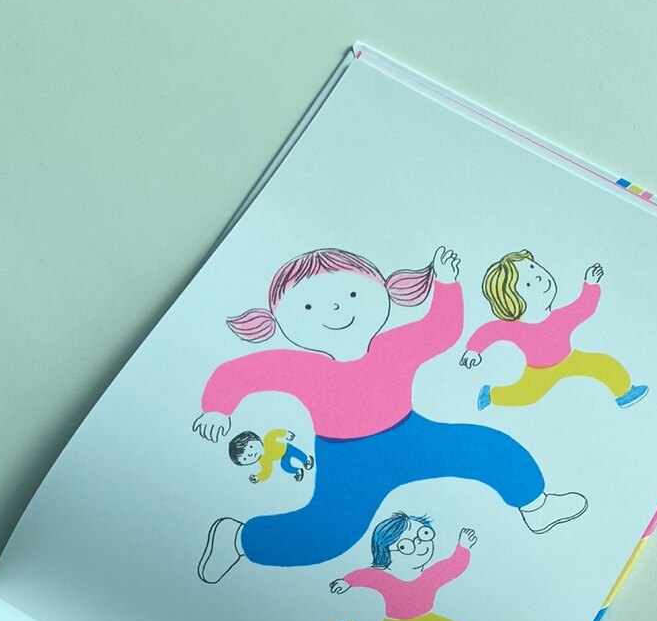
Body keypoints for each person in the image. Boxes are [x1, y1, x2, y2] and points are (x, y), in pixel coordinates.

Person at [193, 245, 587, 585]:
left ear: (384, 291)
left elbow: (441, 331)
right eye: (309, 306)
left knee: (487, 447)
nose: (335, 309)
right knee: (330, 533)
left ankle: (537, 506)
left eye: (351, 293)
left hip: (410, 436)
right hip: (347, 461)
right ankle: (239, 539)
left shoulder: (392, 346)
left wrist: (446, 283)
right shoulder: (300, 367)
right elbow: (238, 373)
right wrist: (217, 410)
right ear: (277, 321)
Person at [461, 252, 648, 410]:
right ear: (511, 301)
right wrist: (473, 350)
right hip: (539, 371)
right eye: (527, 285)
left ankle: (625, 393)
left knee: (604, 364)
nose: (538, 277)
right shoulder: (514, 328)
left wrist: (590, 284)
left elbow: (583, 308)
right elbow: (490, 331)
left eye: (533, 267)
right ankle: (490, 395)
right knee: (525, 395)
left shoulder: (560, 318)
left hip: (570, 358)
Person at [328, 512, 483, 621]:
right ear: (386, 552)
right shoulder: (385, 578)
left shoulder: (430, 576)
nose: (420, 544)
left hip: (425, 618)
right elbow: (366, 576)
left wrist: (463, 548)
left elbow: (451, 567)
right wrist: (347, 582)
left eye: (424, 534)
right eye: (405, 546)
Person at [227, 427, 313, 483]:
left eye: (251, 446)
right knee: (285, 466)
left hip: (287, 448)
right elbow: (267, 472)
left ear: (256, 439)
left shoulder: (267, 439)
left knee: (297, 454)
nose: (250, 454)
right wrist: (258, 478)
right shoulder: (263, 461)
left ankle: (306, 459)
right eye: (245, 458)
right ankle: (297, 471)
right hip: (283, 458)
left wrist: (286, 434)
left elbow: (274, 433)